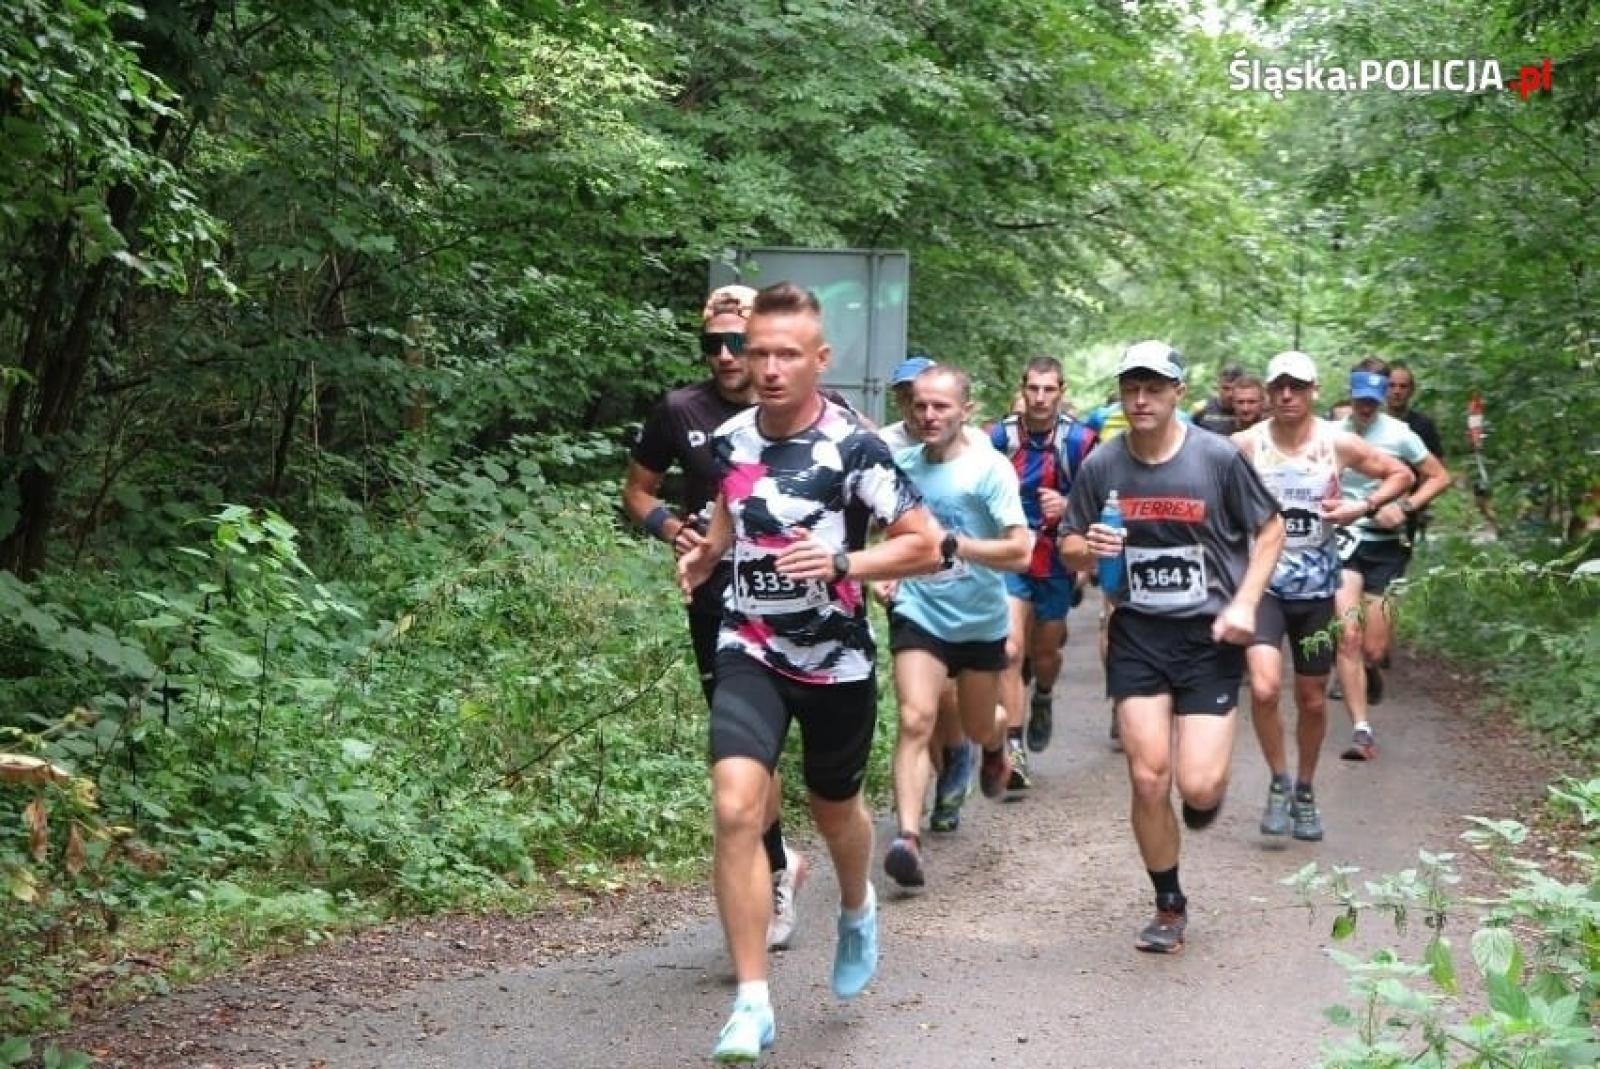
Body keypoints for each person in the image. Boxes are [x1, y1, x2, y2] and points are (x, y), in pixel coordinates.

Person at [676, 282, 941, 1062]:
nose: (768, 368)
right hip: (749, 646)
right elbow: (732, 516)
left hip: (836, 661)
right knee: (736, 806)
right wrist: (706, 555)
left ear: (820, 359)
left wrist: (843, 562)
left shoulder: (855, 447)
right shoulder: (730, 440)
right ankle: (751, 1002)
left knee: (835, 812)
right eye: (756, 351)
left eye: (786, 354)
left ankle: (856, 906)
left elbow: (924, 543)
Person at [1060, 340, 1284, 955]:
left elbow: (1270, 529)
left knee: (1200, 788)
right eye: (1131, 388)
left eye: (1154, 388)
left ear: (1177, 393)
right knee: (1147, 776)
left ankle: (1204, 795)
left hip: (1209, 635)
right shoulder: (1103, 465)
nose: (1140, 400)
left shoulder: (1217, 458)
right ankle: (1168, 903)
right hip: (1137, 633)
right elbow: (1068, 544)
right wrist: (1089, 550)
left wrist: (1245, 602)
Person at [620, 284, 805, 951]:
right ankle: (776, 869)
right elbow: (637, 491)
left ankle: (808, 857)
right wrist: (675, 531)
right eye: (712, 344)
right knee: (748, 747)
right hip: (718, 599)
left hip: (798, 598)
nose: (724, 356)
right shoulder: (680, 409)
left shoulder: (803, 405)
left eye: (736, 342)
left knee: (809, 761)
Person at [1232, 352, 1413, 842]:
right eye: (1279, 387)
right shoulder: (1246, 444)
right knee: (1264, 688)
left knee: (1312, 700)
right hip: (1264, 585)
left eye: (1297, 386)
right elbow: (1200, 481)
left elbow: (1402, 474)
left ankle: (1305, 789)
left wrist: (1363, 506)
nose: (1287, 395)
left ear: (1313, 390)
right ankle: (1278, 779)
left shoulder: (1336, 442)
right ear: (1268, 392)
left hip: (1316, 589)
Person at [879, 365, 1030, 887]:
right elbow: (889, 534)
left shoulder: (989, 469)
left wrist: (954, 545)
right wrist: (885, 571)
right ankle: (907, 839)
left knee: (979, 724)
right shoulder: (901, 467)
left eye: (940, 406)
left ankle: (995, 743)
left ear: (966, 410)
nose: (928, 415)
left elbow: (1019, 552)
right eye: (919, 405)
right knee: (915, 718)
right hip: (920, 610)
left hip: (979, 618)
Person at [1332, 359, 1453, 760]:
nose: (1365, 407)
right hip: (1345, 542)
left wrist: (1405, 505)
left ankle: (1370, 670)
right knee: (1348, 636)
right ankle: (1361, 731)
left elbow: (1439, 476)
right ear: (1350, 395)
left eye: (1373, 400)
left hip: (1386, 546)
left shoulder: (1400, 434)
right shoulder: (1332, 433)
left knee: (1373, 649)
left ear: (1383, 397)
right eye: (1360, 400)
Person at [990, 357, 1097, 776]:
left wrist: (1069, 505)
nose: (1039, 397)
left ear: (1061, 392)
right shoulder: (998, 437)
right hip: (1009, 552)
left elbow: (1103, 499)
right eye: (1033, 388)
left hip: (1055, 555)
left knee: (1046, 651)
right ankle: (1014, 754)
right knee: (1011, 650)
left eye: (1048, 389)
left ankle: (1044, 696)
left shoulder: (1080, 442)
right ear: (1022, 389)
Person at [1385, 362, 1446, 545]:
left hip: (1408, 504)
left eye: (1403, 386)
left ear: (1411, 390)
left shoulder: (1423, 425)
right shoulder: (1371, 421)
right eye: (1392, 385)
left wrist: (1419, 503)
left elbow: (1437, 467)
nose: (1397, 391)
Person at [1192, 363, 1244, 434]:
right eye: (1225, 388)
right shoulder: (1202, 408)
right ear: (1218, 386)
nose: (1230, 394)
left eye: (1234, 388)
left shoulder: (1248, 410)